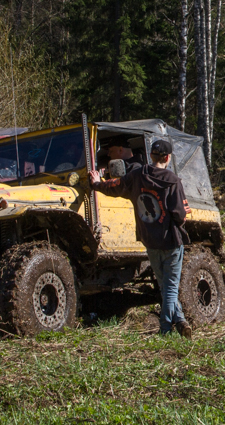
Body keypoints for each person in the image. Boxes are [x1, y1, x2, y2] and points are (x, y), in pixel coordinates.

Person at [89, 139, 192, 338]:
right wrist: (183, 213)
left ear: (151, 156)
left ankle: (181, 321)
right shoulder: (173, 181)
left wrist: (96, 184)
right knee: (170, 287)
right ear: (168, 158)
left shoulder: (137, 176)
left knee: (164, 286)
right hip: (170, 241)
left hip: (150, 240)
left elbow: (115, 187)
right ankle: (164, 329)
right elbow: (179, 214)